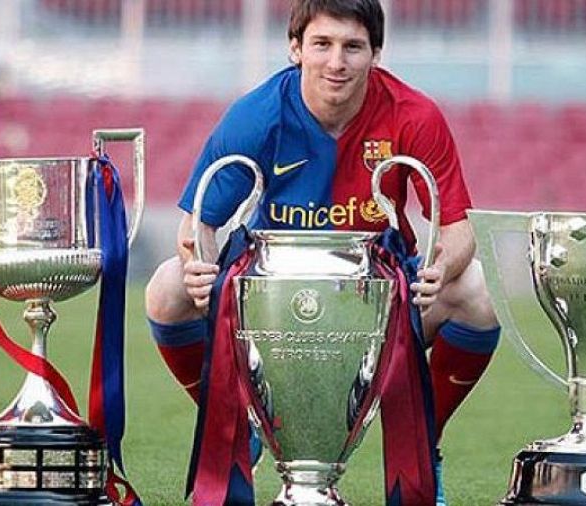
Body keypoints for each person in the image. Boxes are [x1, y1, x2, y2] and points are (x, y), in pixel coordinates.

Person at [145, 1, 500, 504]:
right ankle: (239, 427)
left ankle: (425, 444)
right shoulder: (257, 113)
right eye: (323, 44)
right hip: (273, 304)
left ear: (375, 52)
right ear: (296, 49)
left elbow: (459, 230)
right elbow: (198, 222)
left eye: (353, 46)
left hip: (377, 303)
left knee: (478, 292)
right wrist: (196, 266)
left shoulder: (415, 114)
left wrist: (443, 268)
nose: (337, 62)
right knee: (167, 288)